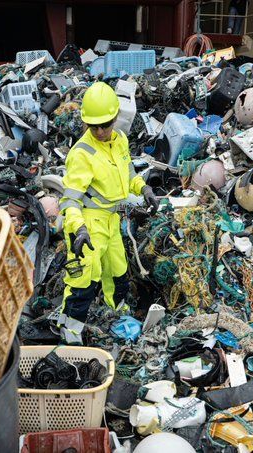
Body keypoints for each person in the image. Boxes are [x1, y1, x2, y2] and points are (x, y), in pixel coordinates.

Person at [58, 82, 159, 344]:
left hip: (112, 220)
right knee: (82, 281)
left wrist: (144, 188)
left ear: (115, 118)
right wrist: (78, 228)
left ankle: (117, 314)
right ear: (86, 124)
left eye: (105, 124)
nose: (101, 131)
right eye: (94, 126)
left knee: (117, 270)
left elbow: (128, 173)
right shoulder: (82, 153)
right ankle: (70, 334)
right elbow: (69, 200)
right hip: (88, 224)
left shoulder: (120, 141)